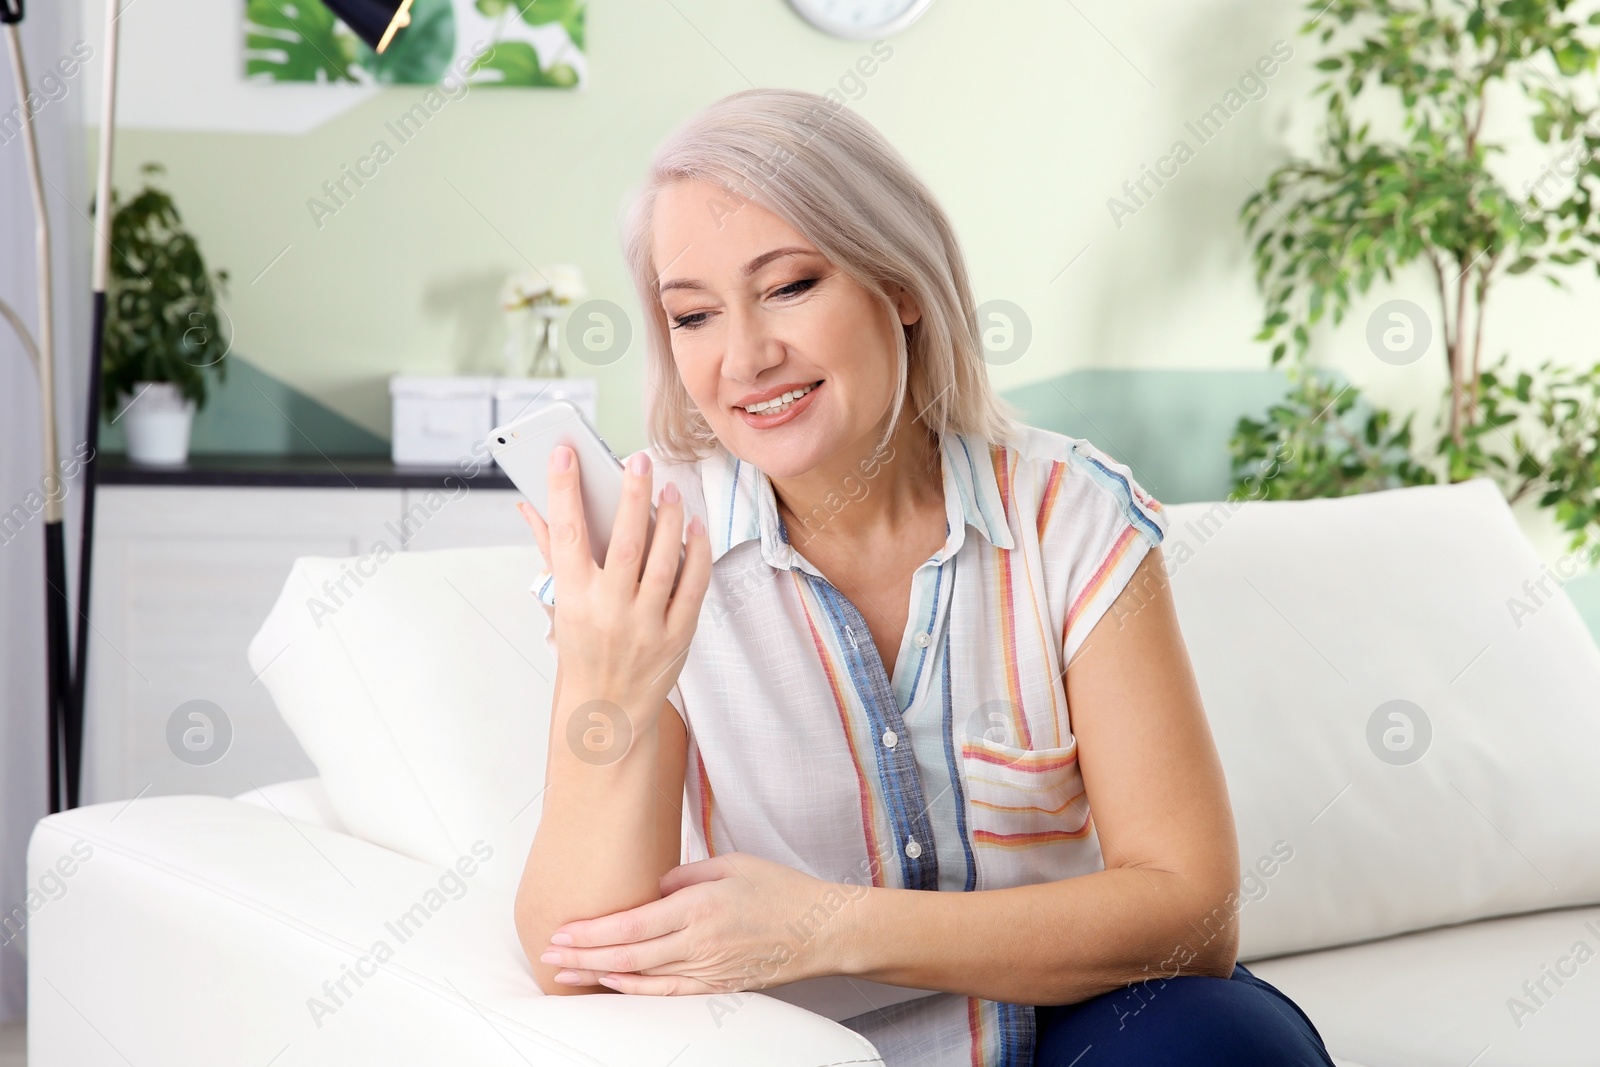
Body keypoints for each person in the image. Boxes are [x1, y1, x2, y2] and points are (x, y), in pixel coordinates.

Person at [511, 87, 1338, 1067]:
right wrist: (615, 684)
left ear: (899, 284)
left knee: (1219, 1044)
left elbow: (1191, 912)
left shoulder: (1066, 514)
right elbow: (578, 958)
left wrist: (830, 924)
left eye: (789, 286)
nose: (745, 356)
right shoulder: (656, 555)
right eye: (693, 315)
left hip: (1081, 1013)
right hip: (817, 1042)